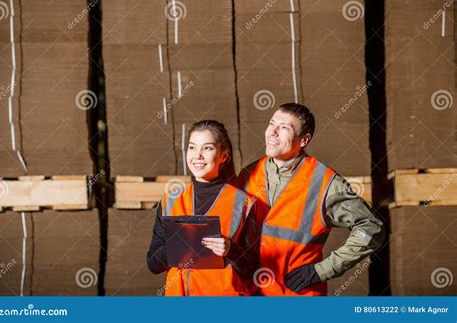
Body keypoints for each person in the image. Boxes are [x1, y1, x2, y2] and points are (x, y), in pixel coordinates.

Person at [237, 103, 385, 296]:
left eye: (283, 128)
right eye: (271, 123)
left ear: (304, 140)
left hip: (295, 298)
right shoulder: (248, 174)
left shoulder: (325, 183)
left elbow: (371, 228)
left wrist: (323, 270)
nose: (272, 132)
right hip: (249, 295)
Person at [147, 120, 259, 296]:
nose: (197, 155)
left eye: (207, 148)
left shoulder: (243, 203)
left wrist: (231, 249)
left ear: (224, 156)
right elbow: (153, 264)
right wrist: (177, 245)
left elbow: (253, 270)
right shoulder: (171, 200)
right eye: (192, 148)